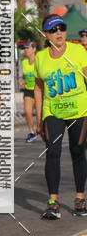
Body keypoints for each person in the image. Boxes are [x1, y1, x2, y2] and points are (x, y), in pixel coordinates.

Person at [34, 15, 87, 220]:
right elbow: (38, 88)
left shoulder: (78, 50)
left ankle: (80, 197)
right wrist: (40, 118)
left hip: (79, 111)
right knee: (52, 152)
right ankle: (53, 202)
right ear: (46, 35)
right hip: (52, 111)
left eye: (62, 28)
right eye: (53, 29)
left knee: (78, 151)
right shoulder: (41, 58)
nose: (59, 32)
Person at [21, 42, 38, 143]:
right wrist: (23, 81)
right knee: (27, 112)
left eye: (28, 48)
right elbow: (25, 75)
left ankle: (44, 130)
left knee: (40, 114)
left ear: (34, 49)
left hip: (38, 90)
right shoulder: (24, 62)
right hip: (28, 89)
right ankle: (32, 132)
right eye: (25, 48)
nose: (26, 50)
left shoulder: (39, 61)